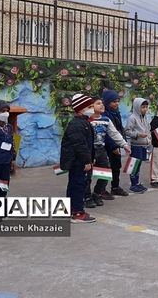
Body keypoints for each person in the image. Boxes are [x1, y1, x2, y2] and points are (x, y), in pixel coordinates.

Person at [85, 98, 131, 208]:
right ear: (91, 107)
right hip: (89, 151)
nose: (102, 105)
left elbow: (114, 133)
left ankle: (97, 193)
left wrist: (124, 145)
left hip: (101, 150)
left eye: (102, 103)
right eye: (98, 103)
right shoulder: (87, 120)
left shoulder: (106, 120)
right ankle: (86, 197)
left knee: (105, 173)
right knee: (87, 175)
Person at [60, 94, 96, 223]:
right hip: (78, 162)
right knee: (78, 185)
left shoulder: (83, 122)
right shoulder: (77, 124)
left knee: (75, 184)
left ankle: (68, 210)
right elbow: (80, 145)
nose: (92, 109)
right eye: (90, 107)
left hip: (79, 160)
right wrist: (86, 161)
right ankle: (77, 212)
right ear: (81, 109)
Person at [102, 90, 129, 197]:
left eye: (117, 101)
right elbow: (107, 133)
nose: (116, 104)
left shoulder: (116, 113)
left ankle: (115, 187)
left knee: (116, 167)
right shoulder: (105, 115)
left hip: (116, 145)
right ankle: (101, 190)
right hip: (107, 147)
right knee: (105, 168)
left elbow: (119, 129)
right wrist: (113, 146)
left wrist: (124, 142)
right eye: (113, 102)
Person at [124, 98, 151, 194]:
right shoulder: (132, 118)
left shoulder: (145, 117)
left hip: (143, 145)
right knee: (134, 165)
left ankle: (137, 182)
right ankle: (133, 184)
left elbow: (148, 130)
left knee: (138, 165)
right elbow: (127, 131)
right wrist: (138, 134)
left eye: (146, 107)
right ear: (136, 107)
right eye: (142, 107)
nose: (145, 109)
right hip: (136, 145)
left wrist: (149, 141)